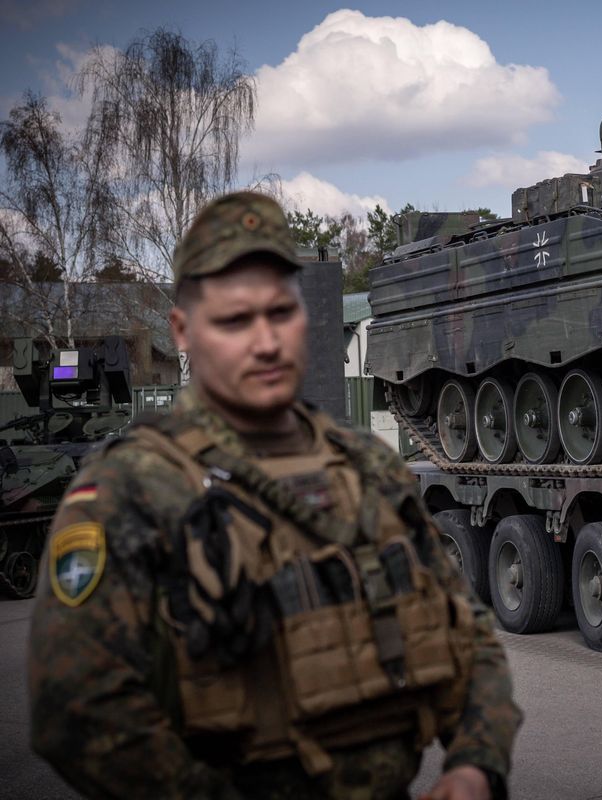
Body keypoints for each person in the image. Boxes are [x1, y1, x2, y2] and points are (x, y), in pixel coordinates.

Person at [28, 191, 521, 800]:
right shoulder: (131, 491)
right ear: (182, 330)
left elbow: (464, 631)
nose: (265, 342)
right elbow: (74, 710)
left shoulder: (366, 465)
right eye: (235, 321)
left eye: (280, 313)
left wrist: (475, 763)